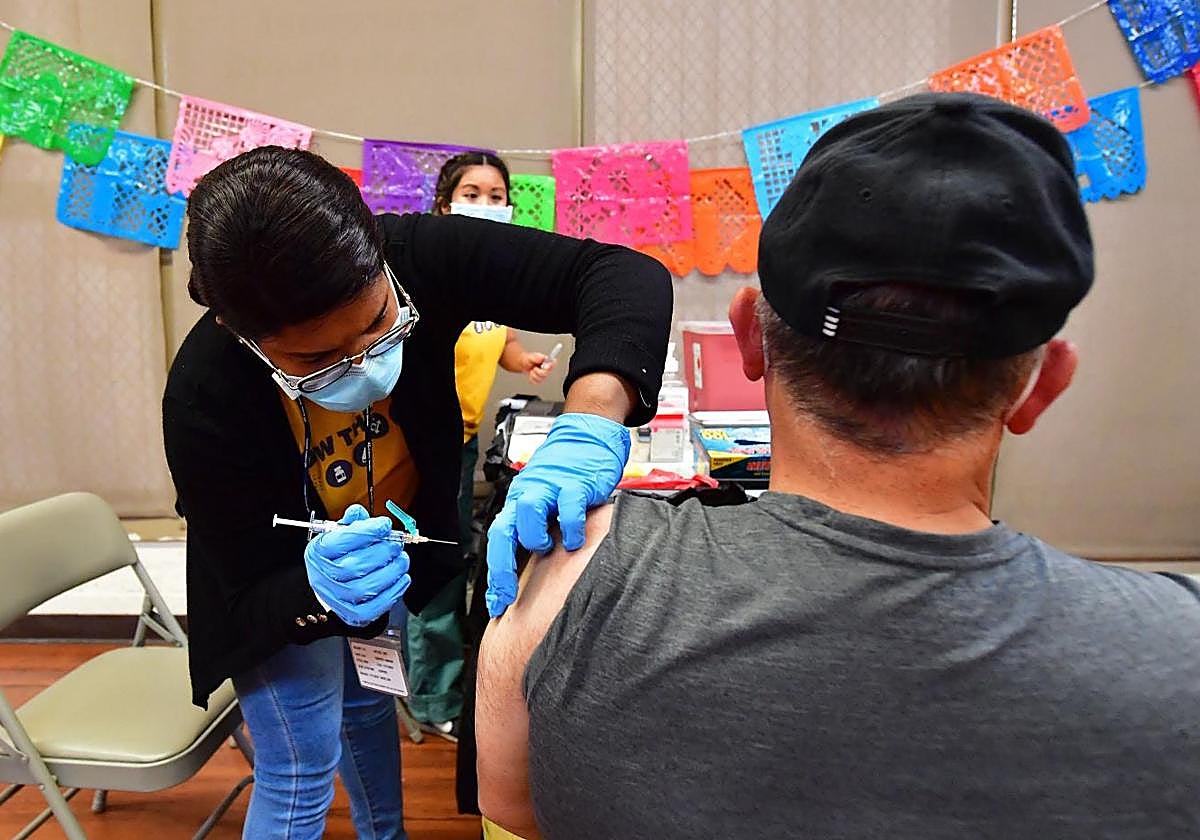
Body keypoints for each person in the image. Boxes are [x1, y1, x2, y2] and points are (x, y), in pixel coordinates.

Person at [474, 93, 1200, 839]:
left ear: (749, 339)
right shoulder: (1181, 656)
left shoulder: (565, 586)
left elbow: (511, 810)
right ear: (1041, 386)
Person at [162, 146, 671, 839]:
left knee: (372, 703)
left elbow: (620, 275)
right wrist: (313, 592)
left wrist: (588, 423)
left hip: (389, 548)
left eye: (378, 323)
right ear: (241, 334)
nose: (364, 364)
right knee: (300, 767)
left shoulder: (419, 255)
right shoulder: (205, 394)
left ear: (377, 249)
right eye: (315, 359)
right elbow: (244, 592)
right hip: (283, 585)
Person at [404, 151, 557, 740]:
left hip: (464, 441)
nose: (487, 204)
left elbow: (502, 342)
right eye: (473, 192)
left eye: (497, 195)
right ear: (445, 203)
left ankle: (447, 676)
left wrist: (526, 361)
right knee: (435, 568)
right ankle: (433, 697)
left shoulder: (494, 278)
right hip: (420, 444)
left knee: (453, 561)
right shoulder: (424, 271)